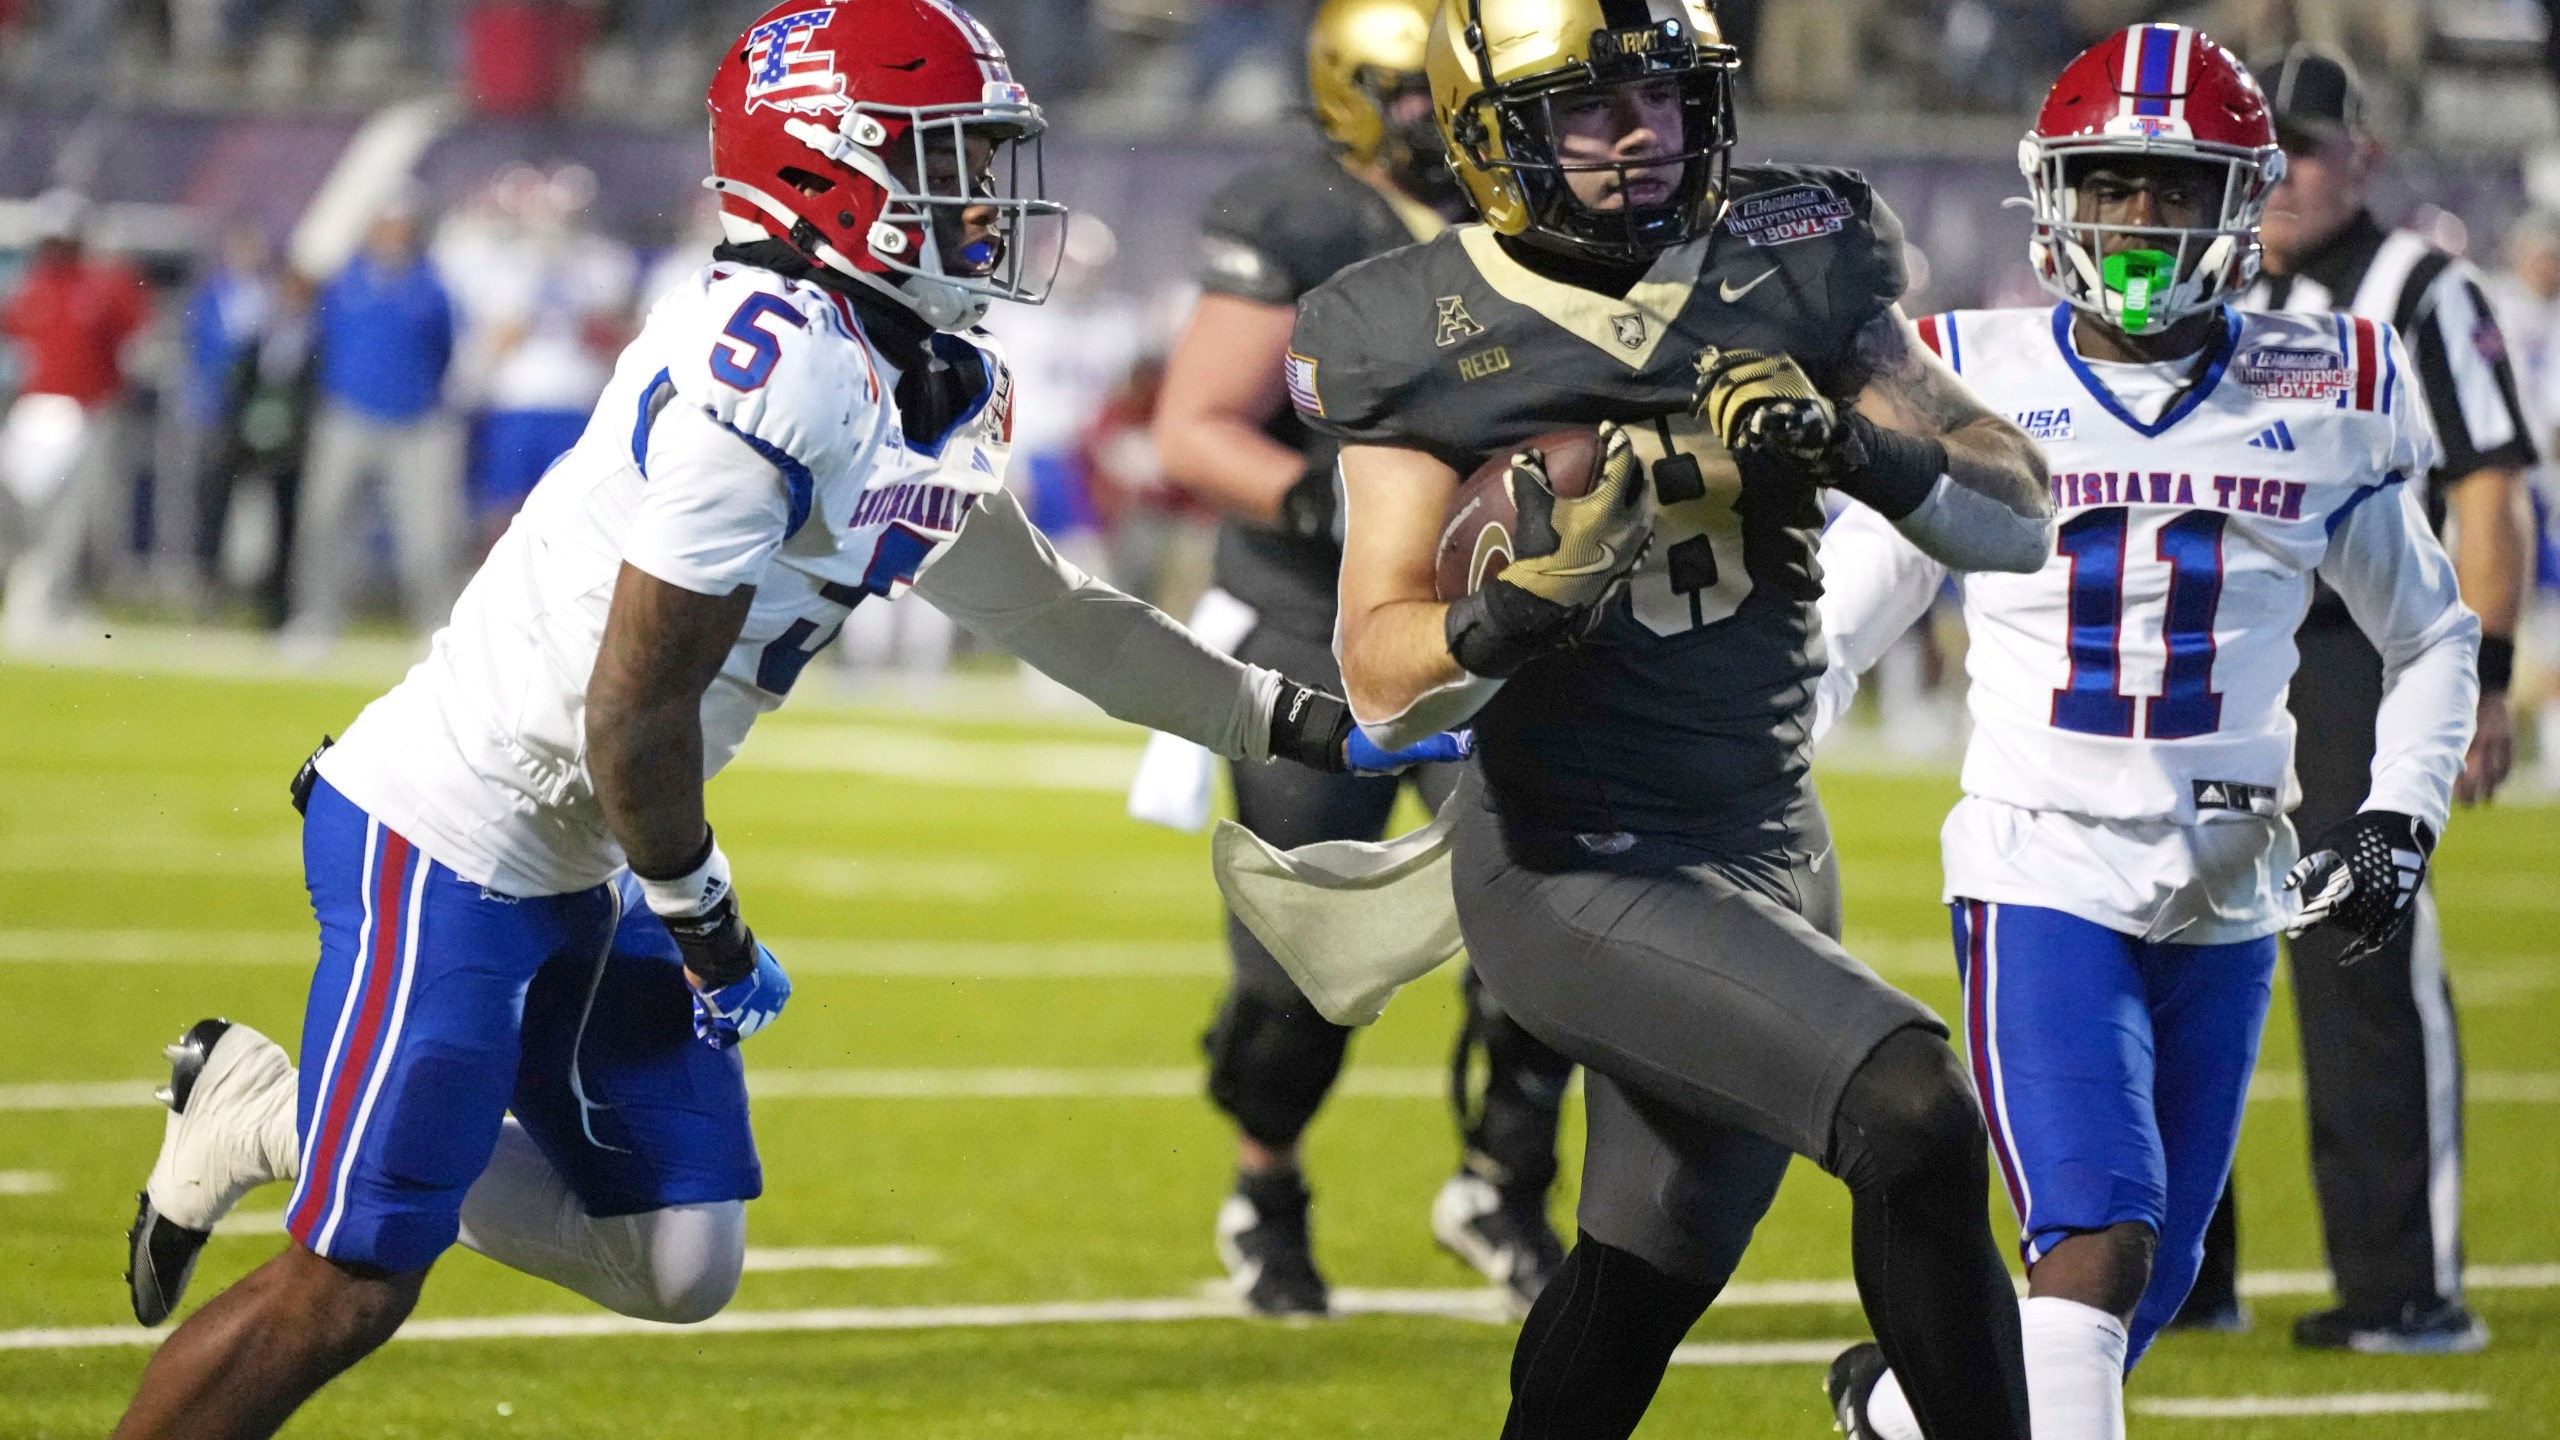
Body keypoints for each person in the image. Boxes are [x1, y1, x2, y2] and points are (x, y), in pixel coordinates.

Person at [109, 6, 1458, 1437]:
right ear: (826, 169)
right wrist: (703, 913)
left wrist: (1295, 721)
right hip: (464, 830)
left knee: (676, 1256)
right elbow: (632, 707)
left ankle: (278, 1110)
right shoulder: (772, 366)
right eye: (951, 159)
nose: (987, 196)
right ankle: (330, 1158)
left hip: (606, 835)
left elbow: (1058, 615)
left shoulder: (922, 370)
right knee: (354, 1276)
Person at [1291, 1, 2057, 1434]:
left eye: (1663, 94)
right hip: (1575, 863)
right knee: (1912, 1115)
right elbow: (1385, 672)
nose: (1638, 132)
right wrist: (1519, 608)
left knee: (1645, 1268)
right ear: (1491, 132)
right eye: (1587, 107)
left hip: (1772, 838)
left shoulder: (1802, 253)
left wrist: (1858, 446)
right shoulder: (1403, 326)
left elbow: (2015, 515)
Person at [1811, 28, 2481, 1439]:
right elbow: (1837, 630)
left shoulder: (2324, 385)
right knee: (2099, 1240)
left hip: (2232, 881)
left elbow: (2431, 632)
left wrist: (2399, 816)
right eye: (2109, 185)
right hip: (2043, 860)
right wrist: (1734, 781)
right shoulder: (1963, 376)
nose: (2134, 220)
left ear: (2238, 205)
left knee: (2143, 1282)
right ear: (2051, 194)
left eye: (2170, 189)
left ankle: (1899, 1416)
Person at [1149, 0, 1571, 1317]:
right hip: (1310, 633)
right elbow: (1198, 427)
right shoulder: (1303, 218)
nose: (1440, 120)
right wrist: (1331, 504)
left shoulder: (1538, 212)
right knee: (1303, 973)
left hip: (1485, 634)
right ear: (1350, 92)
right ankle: (1264, 1189)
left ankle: (1503, 1184)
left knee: (1551, 926)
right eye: (1413, 92)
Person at [2171, 44, 2540, 1353]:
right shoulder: (2205, 277)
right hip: (2215, 648)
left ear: (2361, 154)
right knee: (2164, 934)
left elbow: (2490, 483)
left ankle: (2401, 1289)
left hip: (2353, 654)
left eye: (2306, 147)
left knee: (2360, 952)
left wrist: (2485, 679)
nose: (2279, 173)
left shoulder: (2421, 290)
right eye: (2260, 148)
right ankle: (2176, 1273)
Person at [288, 196, 462, 649]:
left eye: (400, 226)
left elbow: (443, 350)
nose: (392, 234)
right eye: (385, 225)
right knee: (325, 521)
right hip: (346, 416)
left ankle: (434, 624)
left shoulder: (430, 287)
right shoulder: (344, 281)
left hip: (415, 421)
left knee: (427, 531)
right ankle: (316, 618)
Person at [0, 188, 150, 640]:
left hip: (88, 412)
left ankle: (59, 598)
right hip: (36, 410)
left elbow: (136, 342)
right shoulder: (31, 285)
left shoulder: (105, 284)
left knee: (77, 516)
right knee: (26, 508)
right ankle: (33, 590)